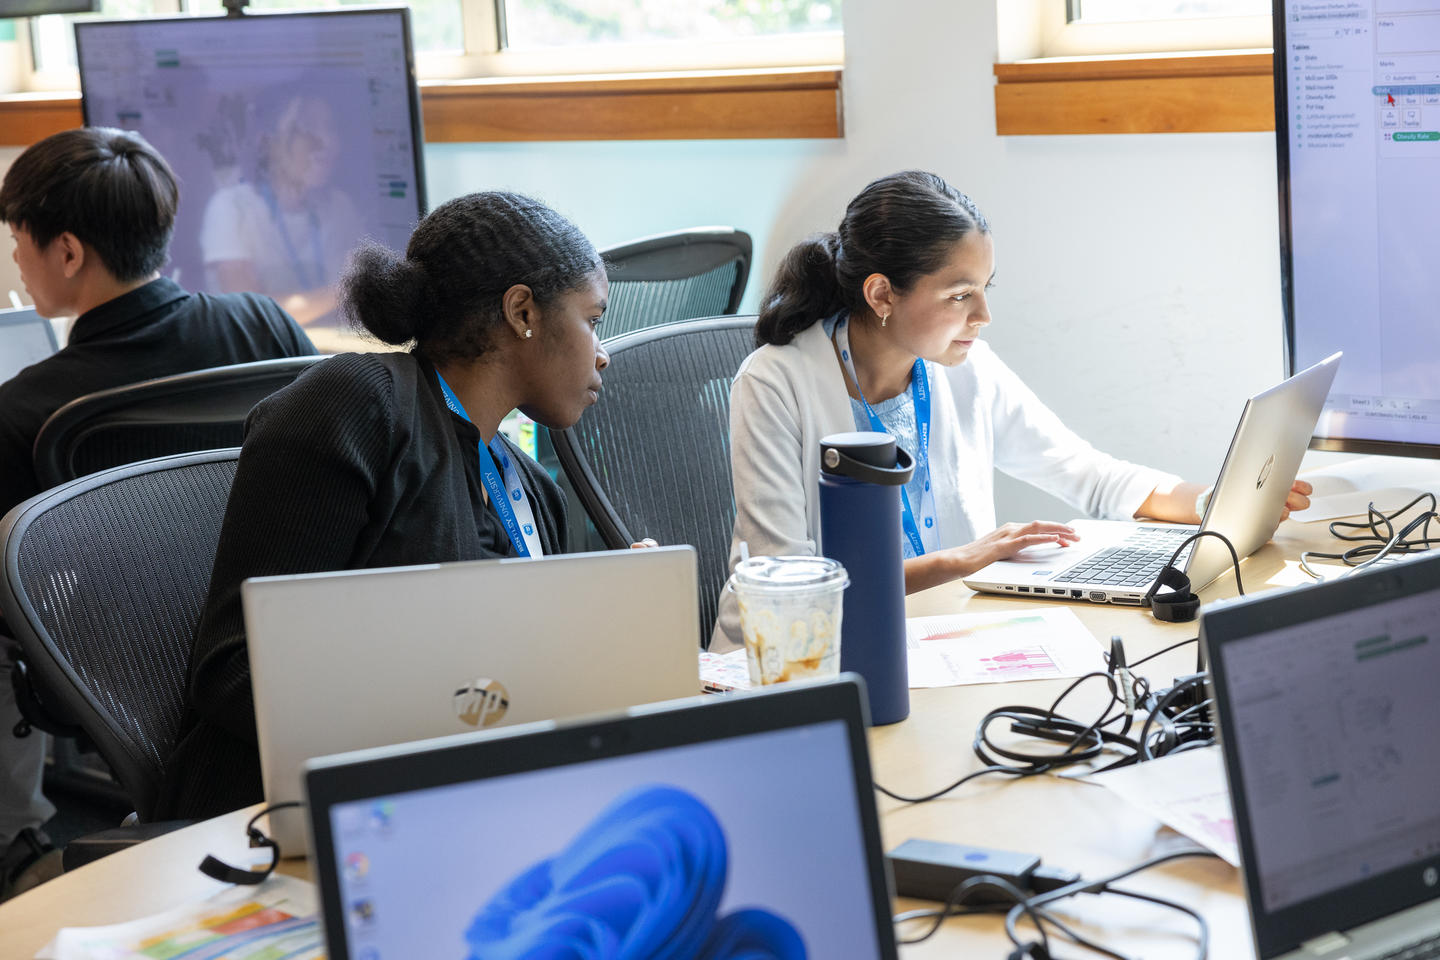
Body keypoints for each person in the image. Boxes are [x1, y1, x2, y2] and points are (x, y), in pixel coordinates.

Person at [715, 170, 1310, 650]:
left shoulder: (967, 367)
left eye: (984, 289)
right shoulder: (775, 383)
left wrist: (1210, 504)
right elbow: (787, 586)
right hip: (794, 663)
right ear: (881, 295)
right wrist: (965, 560)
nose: (983, 316)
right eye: (959, 295)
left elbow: (1084, 471)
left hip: (935, 638)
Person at [157, 191, 611, 820]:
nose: (603, 352)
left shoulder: (531, 487)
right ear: (522, 311)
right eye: (594, 319)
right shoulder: (356, 406)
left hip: (461, 793)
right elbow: (238, 672)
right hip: (288, 813)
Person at [0, 127, 316, 895]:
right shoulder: (262, 326)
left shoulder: (28, 406)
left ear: (68, 252)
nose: (14, 259)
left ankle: (16, 842)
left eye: (18, 242)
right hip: (272, 630)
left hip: (116, 656)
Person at [199, 95, 365, 326]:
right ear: (268, 142)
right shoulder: (231, 207)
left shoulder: (339, 207)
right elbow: (250, 317)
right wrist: (345, 291)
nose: (327, 142)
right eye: (307, 128)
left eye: (331, 128)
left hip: (334, 355)